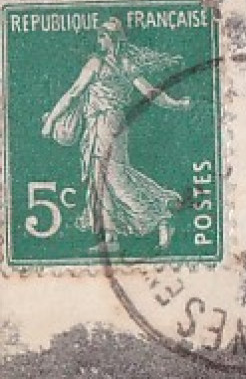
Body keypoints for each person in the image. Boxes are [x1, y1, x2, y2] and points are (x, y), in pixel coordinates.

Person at [40, 19, 192, 254]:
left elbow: (72, 94)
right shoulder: (126, 64)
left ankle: (161, 217)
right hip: (113, 124)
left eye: (102, 36)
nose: (99, 40)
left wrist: (50, 121)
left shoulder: (96, 63)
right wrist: (177, 105)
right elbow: (151, 93)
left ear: (112, 39)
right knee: (101, 179)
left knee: (114, 178)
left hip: (103, 124)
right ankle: (110, 238)